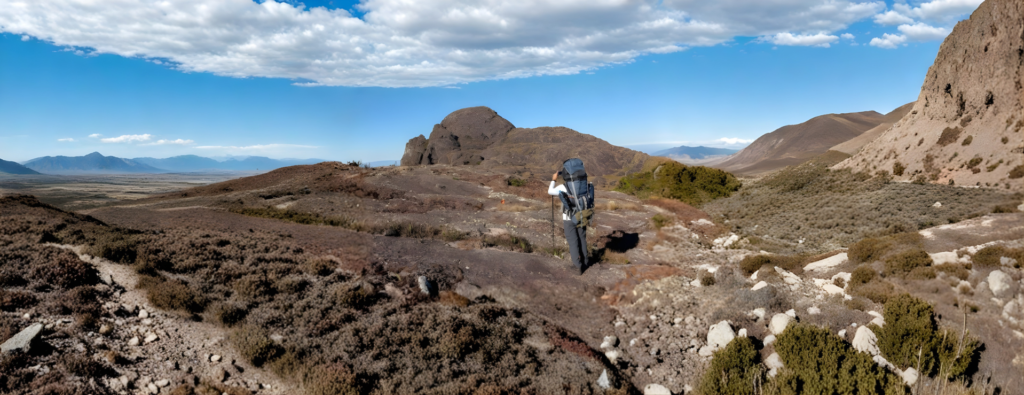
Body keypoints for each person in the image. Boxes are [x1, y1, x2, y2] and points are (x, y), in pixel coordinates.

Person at [549, 170, 589, 274]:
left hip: (569, 218)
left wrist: (554, 179)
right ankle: (585, 262)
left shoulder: (564, 187)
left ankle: (577, 266)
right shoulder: (584, 186)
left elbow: (550, 191)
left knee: (573, 241)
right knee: (582, 239)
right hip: (582, 216)